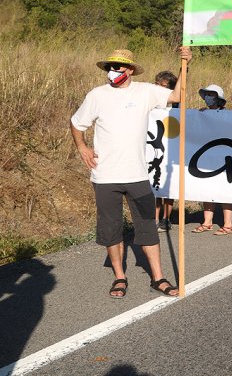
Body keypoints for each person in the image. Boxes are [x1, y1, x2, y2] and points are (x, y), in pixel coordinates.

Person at [70, 48, 190, 298]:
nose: (113, 71)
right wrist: (82, 147)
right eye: (110, 67)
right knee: (111, 228)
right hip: (105, 176)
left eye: (119, 67)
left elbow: (178, 94)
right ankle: (119, 277)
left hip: (137, 175)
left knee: (147, 226)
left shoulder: (146, 91)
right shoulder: (97, 95)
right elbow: (77, 123)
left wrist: (184, 64)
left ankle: (158, 278)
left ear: (130, 70)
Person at [191, 85, 232, 235]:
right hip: (206, 157)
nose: (209, 98)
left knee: (225, 190)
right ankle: (207, 222)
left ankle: (228, 224)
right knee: (207, 189)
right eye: (207, 95)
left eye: (212, 95)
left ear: (219, 98)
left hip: (224, 157)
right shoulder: (202, 114)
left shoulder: (227, 114)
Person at [153, 71, 177, 232]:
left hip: (170, 148)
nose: (160, 89)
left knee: (169, 186)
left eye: (164, 86)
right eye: (158, 85)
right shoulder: (150, 103)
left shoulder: (176, 107)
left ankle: (166, 219)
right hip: (154, 147)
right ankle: (154, 219)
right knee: (155, 186)